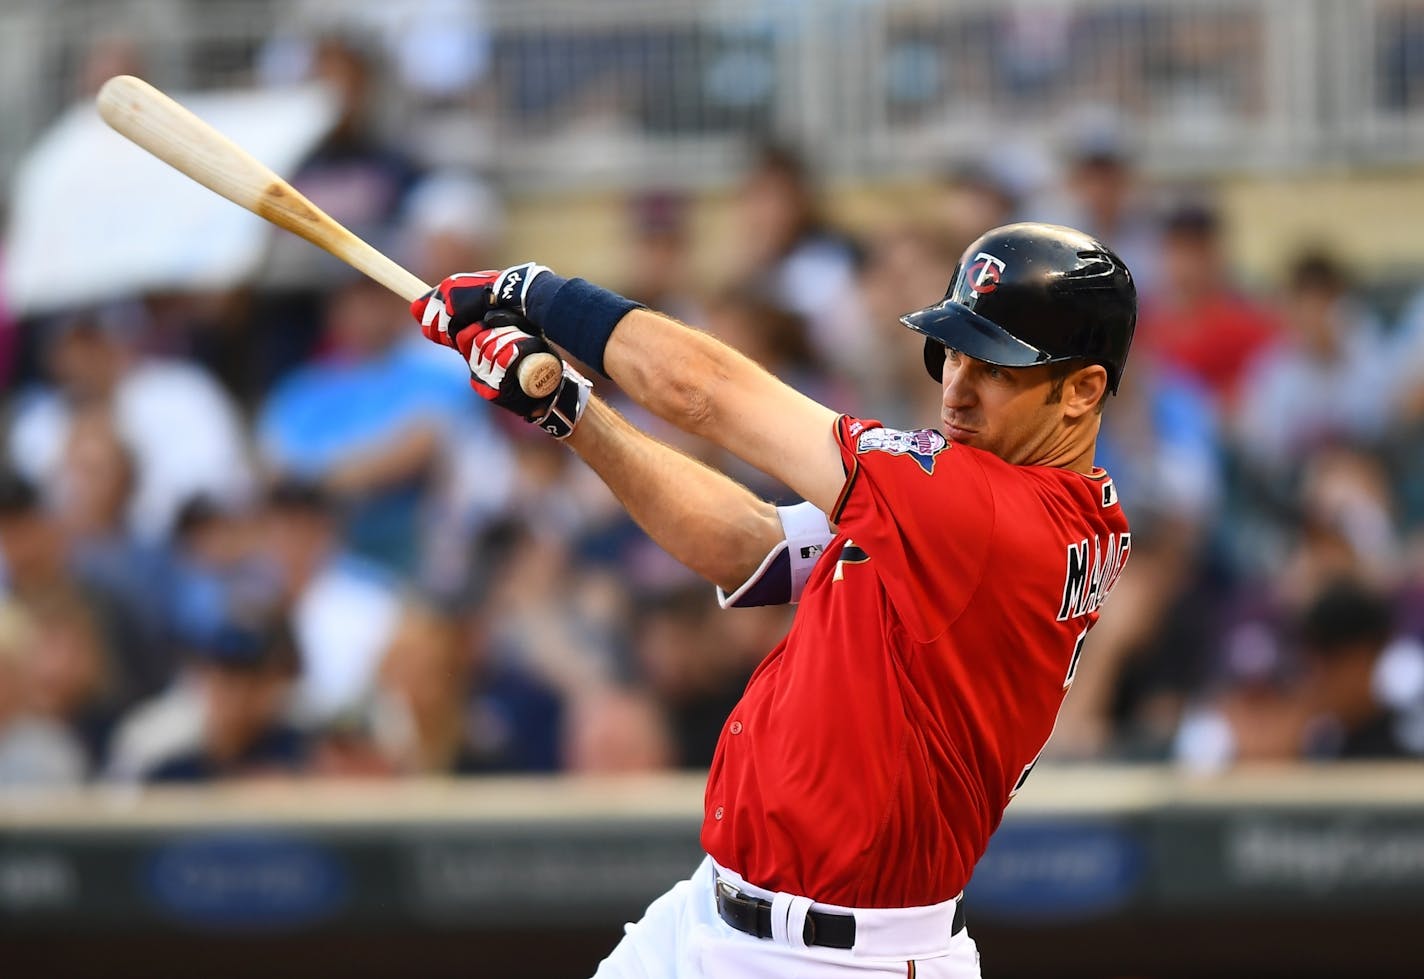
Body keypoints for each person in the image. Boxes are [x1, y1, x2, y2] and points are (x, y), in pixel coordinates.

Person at [412, 221, 1136, 978]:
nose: (956, 386)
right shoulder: (995, 500)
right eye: (953, 351)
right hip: (710, 913)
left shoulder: (987, 515)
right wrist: (572, 409)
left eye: (995, 366)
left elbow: (703, 392)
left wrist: (539, 295)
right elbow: (748, 544)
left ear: (1083, 389)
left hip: (845, 958)